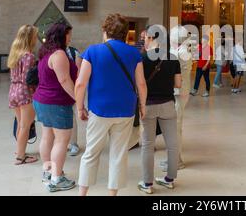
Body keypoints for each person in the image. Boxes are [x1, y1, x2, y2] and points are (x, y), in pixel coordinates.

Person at [77, 14, 146, 196]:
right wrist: (143, 106)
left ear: (105, 31)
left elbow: (81, 83)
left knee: (91, 153)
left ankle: (83, 193)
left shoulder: (92, 51)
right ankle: (111, 194)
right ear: (125, 33)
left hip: (99, 110)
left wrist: (79, 108)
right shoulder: (134, 53)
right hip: (125, 110)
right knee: (118, 155)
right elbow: (141, 84)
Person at [33, 23, 78, 192]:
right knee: (61, 140)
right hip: (56, 101)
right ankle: (56, 178)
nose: (70, 37)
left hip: (43, 100)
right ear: (61, 35)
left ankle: (48, 170)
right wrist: (78, 100)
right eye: (68, 34)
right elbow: (65, 80)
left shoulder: (46, 52)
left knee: (47, 137)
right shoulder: (59, 54)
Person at [138, 28, 182, 194]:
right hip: (168, 104)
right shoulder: (173, 58)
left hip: (148, 105)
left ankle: (147, 184)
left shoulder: (141, 58)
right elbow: (178, 84)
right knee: (172, 144)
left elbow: (139, 83)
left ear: (151, 37)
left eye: (146, 38)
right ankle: (169, 180)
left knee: (148, 145)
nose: (145, 41)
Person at [8, 25, 39, 165]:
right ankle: (20, 157)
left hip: (13, 90)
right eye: (35, 36)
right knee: (25, 126)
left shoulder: (15, 54)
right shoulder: (29, 56)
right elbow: (29, 79)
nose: (36, 39)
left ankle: (20, 150)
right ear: (30, 38)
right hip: (25, 91)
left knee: (21, 124)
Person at [167, 25, 192, 171]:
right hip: (179, 92)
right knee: (174, 127)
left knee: (175, 128)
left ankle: (176, 160)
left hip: (178, 93)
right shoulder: (181, 51)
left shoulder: (180, 53)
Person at [65, 27, 83, 157]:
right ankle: (62, 142)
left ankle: (73, 143)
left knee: (72, 116)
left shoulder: (73, 52)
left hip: (71, 86)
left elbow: (79, 72)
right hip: (57, 89)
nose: (70, 37)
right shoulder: (53, 52)